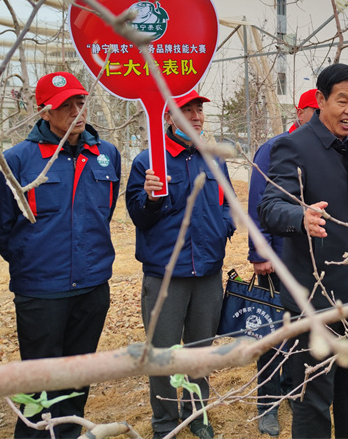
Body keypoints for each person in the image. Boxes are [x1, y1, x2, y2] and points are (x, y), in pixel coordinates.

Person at [258, 63, 348, 439]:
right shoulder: (293, 145)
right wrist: (300, 217)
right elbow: (270, 207)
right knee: (313, 396)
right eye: (342, 101)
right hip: (315, 297)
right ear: (320, 100)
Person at [0, 71, 121, 438]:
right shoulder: (17, 160)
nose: (76, 112)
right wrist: (33, 262)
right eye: (65, 106)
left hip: (92, 287)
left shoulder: (106, 155)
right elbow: (3, 226)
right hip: (42, 292)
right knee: (40, 383)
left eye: (80, 102)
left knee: (77, 379)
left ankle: (70, 433)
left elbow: (104, 212)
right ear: (44, 111)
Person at [126, 90, 236, 439]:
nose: (196, 116)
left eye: (199, 109)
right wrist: (150, 198)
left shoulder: (214, 159)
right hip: (166, 277)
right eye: (186, 110)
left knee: (199, 352)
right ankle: (165, 422)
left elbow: (228, 204)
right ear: (168, 117)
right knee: (162, 354)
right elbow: (138, 216)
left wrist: (223, 228)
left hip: (208, 273)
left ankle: (196, 415)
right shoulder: (149, 161)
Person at [246, 88, 317, 436]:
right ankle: (267, 403)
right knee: (273, 334)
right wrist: (260, 253)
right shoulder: (275, 148)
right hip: (277, 259)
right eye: (313, 111)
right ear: (300, 113)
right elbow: (257, 202)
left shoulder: (323, 149)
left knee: (300, 332)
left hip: (310, 260)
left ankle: (293, 389)